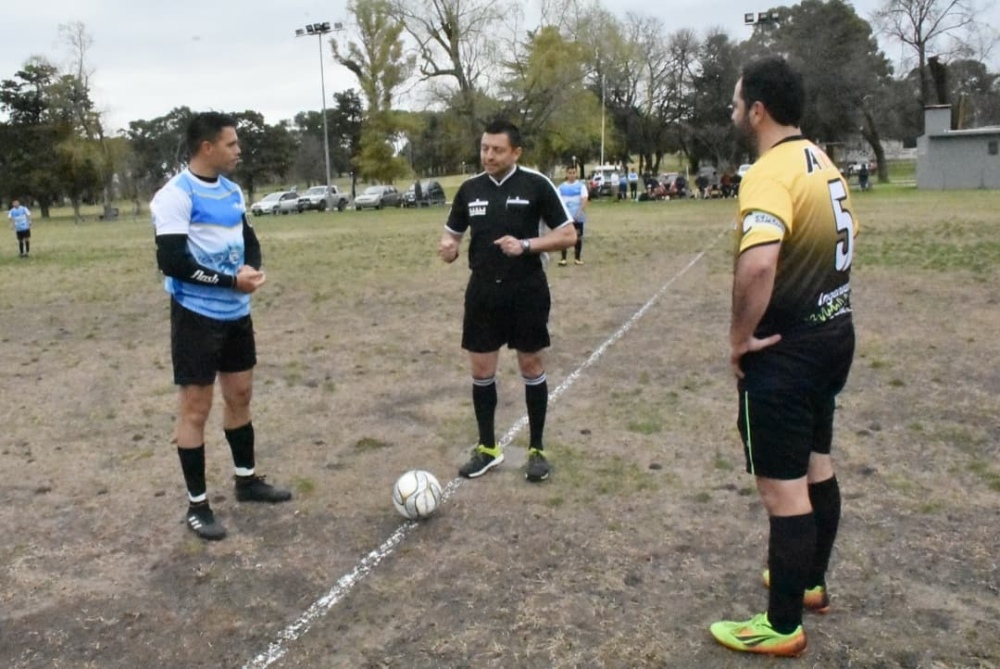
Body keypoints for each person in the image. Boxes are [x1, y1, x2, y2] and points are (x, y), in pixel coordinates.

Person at [710, 56, 858, 657]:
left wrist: (739, 337)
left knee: (784, 490)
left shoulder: (769, 173)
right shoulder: (822, 162)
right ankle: (811, 582)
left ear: (759, 110)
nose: (732, 108)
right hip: (832, 337)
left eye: (737, 99)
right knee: (817, 461)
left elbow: (761, 262)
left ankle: (781, 624)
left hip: (786, 351)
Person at [151, 112, 292, 541]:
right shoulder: (174, 196)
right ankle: (197, 506)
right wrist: (232, 280)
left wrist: (251, 267)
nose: (238, 150)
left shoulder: (231, 191)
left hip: (236, 314)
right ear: (206, 147)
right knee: (196, 407)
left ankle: (246, 481)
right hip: (196, 316)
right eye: (231, 144)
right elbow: (173, 262)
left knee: (241, 395)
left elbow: (249, 238)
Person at [437, 119, 576, 483]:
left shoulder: (536, 184)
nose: (488, 155)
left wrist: (526, 245)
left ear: (516, 152)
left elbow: (568, 235)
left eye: (497, 150)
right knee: (482, 371)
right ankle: (487, 448)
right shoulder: (469, 189)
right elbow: (451, 236)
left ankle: (537, 450)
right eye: (484, 148)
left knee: (530, 364)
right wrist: (448, 249)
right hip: (482, 291)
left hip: (526, 288)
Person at [557, 165, 588, 266]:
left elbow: (584, 200)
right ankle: (563, 258)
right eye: (569, 173)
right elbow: (557, 201)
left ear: (576, 173)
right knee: (563, 237)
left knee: (578, 237)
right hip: (565, 218)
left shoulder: (581, 186)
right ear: (566, 174)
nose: (571, 175)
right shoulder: (561, 187)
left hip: (577, 217)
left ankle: (577, 258)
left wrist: (579, 213)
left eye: (573, 173)